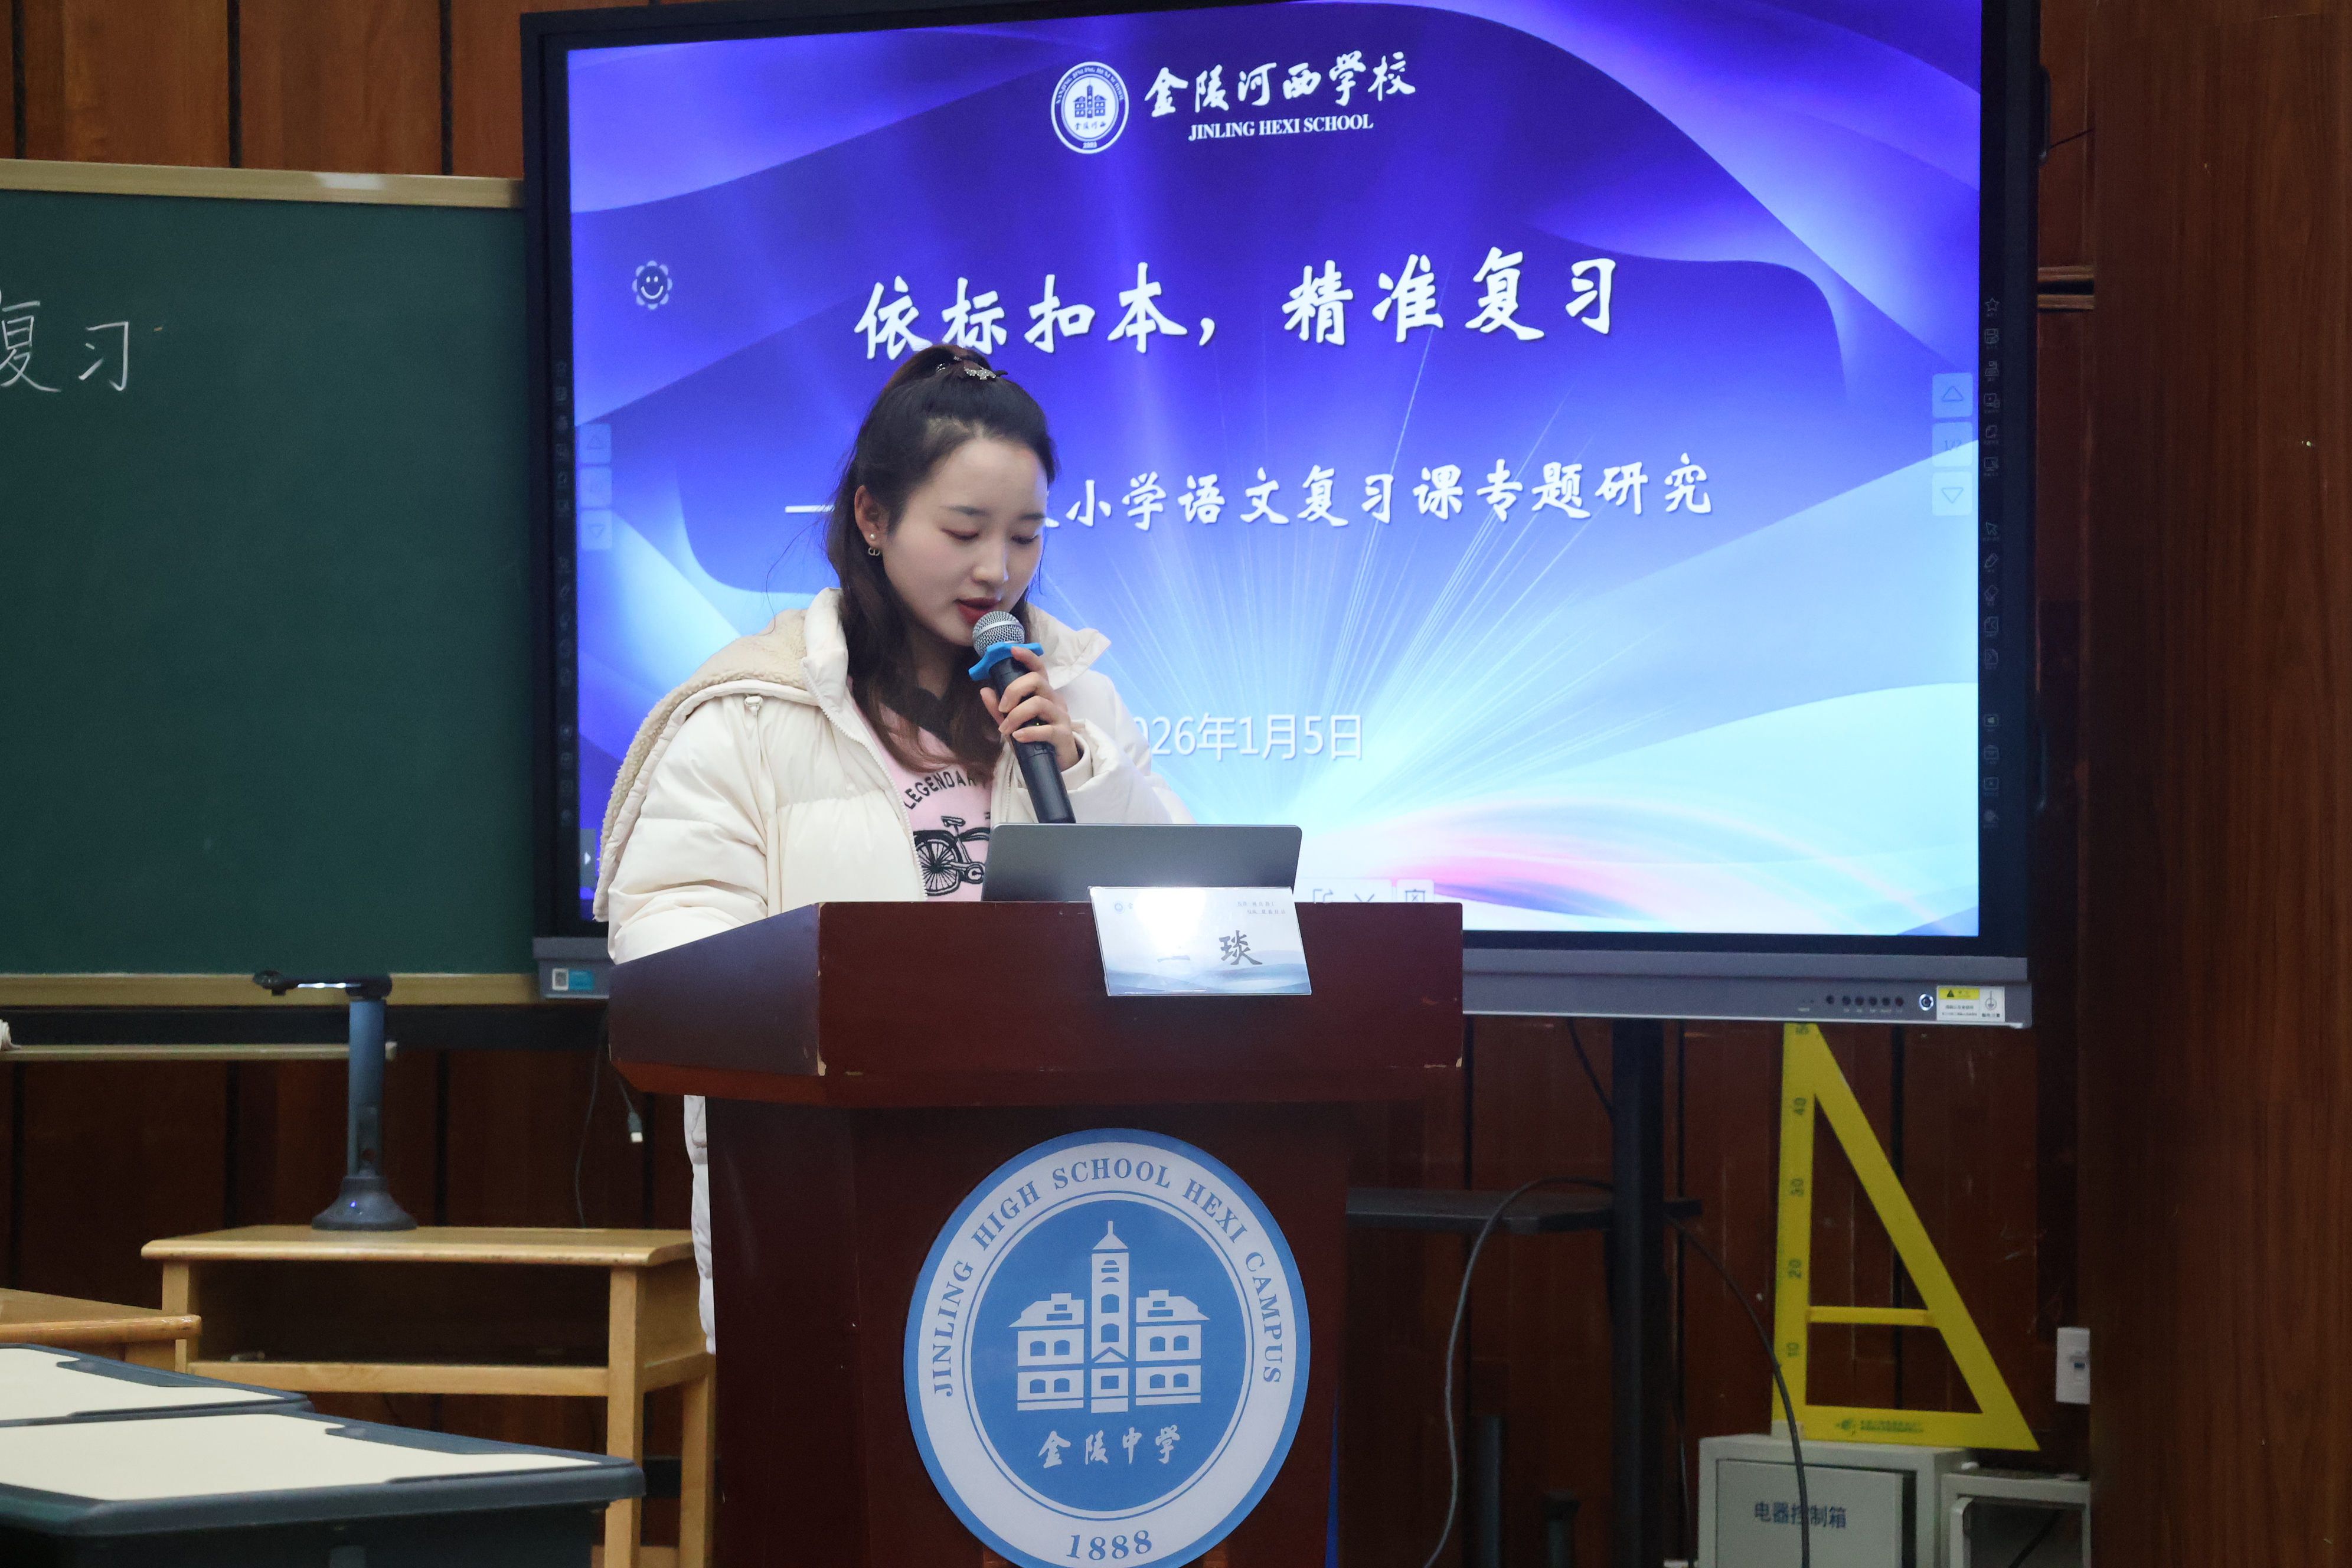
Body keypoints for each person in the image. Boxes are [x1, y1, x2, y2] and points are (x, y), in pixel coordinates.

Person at [595, 344, 1189, 1349]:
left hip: (1065, 1182)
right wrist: (870, 1002)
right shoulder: (747, 714)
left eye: (1026, 537)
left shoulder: (1079, 705)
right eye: (964, 531)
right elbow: (670, 950)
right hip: (830, 1189)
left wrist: (1083, 773)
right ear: (872, 518)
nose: (998, 570)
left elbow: (1189, 916)